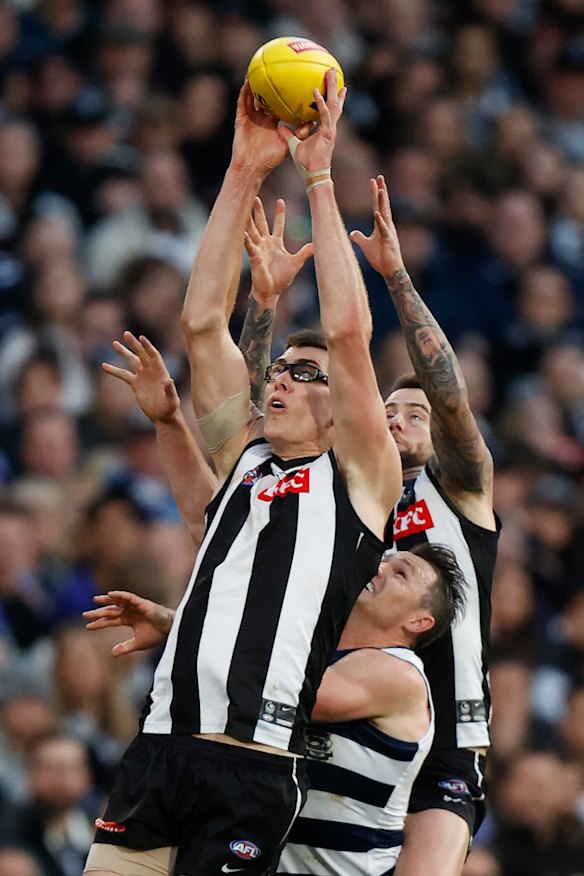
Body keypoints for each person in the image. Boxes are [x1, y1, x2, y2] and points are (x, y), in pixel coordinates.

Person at [84, 71, 402, 876]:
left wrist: (321, 178)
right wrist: (242, 171)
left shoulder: (362, 481)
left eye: (306, 375)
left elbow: (349, 332)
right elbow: (200, 322)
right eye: (281, 370)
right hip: (159, 748)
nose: (282, 381)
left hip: (251, 768)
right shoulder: (249, 457)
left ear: (344, 411)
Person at [85, 542, 466, 876]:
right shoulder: (313, 649)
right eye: (383, 560)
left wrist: (177, 625)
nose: (378, 568)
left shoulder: (399, 673)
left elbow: (277, 693)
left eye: (400, 573)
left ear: (419, 620)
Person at [349, 175, 500, 875]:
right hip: (350, 718)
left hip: (449, 743)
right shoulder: (347, 504)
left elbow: (450, 393)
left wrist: (396, 279)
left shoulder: (460, 489)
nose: (400, 417)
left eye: (417, 413)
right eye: (390, 408)